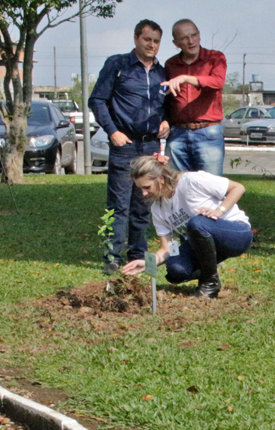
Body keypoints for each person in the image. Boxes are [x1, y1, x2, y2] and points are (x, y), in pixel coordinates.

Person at [89, 20, 170, 275]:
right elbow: (98, 100)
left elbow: (168, 105)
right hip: (125, 145)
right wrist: (112, 131)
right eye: (147, 40)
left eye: (156, 41)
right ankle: (113, 255)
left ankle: (137, 254)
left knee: (143, 202)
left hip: (150, 145)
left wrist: (167, 120)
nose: (152, 45)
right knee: (119, 202)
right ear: (136, 38)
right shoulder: (118, 64)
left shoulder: (162, 72)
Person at [121, 156, 252, 299]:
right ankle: (208, 270)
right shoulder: (158, 209)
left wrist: (219, 211)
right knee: (175, 270)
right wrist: (149, 262)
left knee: (196, 223)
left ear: (161, 179)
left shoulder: (191, 181)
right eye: (141, 189)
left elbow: (238, 188)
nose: (144, 193)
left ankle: (210, 282)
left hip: (238, 234)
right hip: (203, 243)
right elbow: (167, 248)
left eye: (147, 187)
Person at [162, 19, 227, 175]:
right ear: (176, 43)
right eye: (184, 38)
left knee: (211, 187)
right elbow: (165, 98)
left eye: (194, 35)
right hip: (177, 134)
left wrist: (185, 78)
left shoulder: (215, 58)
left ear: (199, 35)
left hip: (208, 132)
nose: (191, 41)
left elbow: (217, 82)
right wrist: (164, 120)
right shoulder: (170, 64)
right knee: (176, 186)